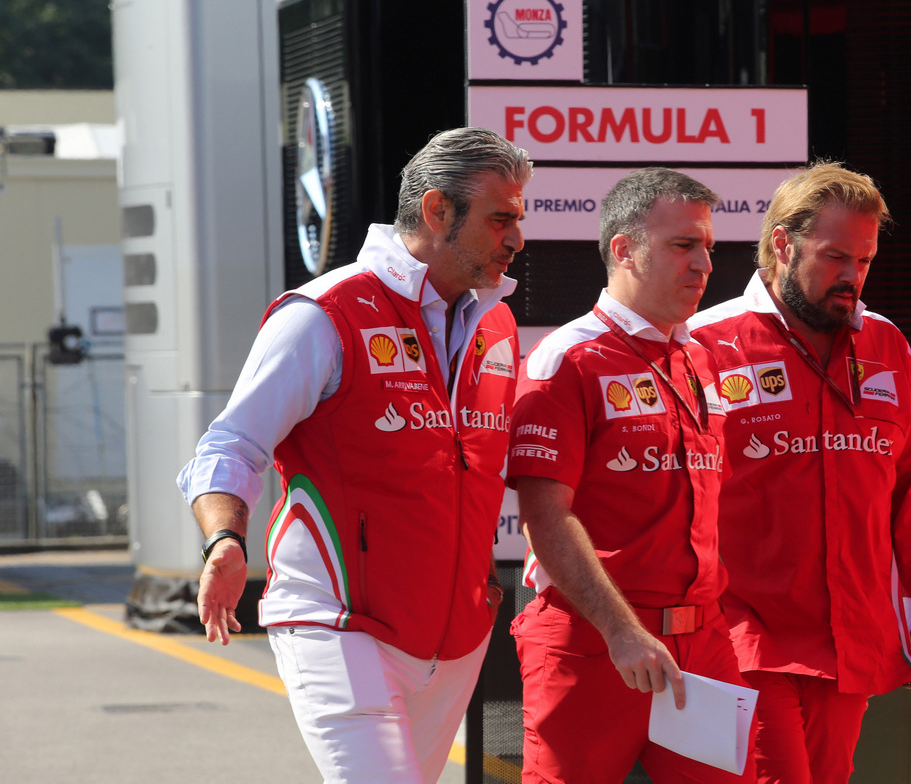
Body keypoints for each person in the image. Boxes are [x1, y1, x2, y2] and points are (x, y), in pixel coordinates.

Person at [176, 127, 531, 783]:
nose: (516, 237)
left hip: (454, 637)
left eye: (519, 217)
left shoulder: (497, 325)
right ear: (435, 210)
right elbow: (230, 443)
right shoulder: (326, 312)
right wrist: (224, 539)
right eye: (500, 217)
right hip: (337, 621)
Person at [689, 162, 911, 784]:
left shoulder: (887, 345)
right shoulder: (701, 343)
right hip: (741, 632)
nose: (852, 277)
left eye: (865, 261)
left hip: (852, 638)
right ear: (784, 244)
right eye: (835, 256)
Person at [506, 168, 753, 783]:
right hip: (596, 642)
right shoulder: (567, 358)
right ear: (623, 248)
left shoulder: (702, 357)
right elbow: (544, 518)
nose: (704, 264)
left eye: (709, 248)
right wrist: (621, 631)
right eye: (682, 245)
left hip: (701, 646)